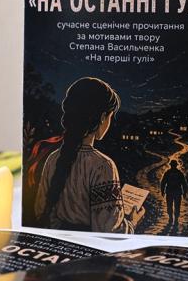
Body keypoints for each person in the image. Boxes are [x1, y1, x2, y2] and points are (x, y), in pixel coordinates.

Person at [35, 77, 145, 233]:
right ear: (102, 117)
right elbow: (109, 230)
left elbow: (41, 211)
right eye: (110, 117)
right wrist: (132, 223)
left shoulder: (52, 158)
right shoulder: (103, 165)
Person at [160, 160, 188, 228]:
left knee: (171, 206)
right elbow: (184, 183)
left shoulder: (168, 173)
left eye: (173, 165)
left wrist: (162, 191)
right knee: (175, 207)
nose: (173, 166)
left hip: (171, 192)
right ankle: (174, 220)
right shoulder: (179, 173)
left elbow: (163, 182)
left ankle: (172, 219)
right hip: (176, 192)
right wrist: (184, 192)